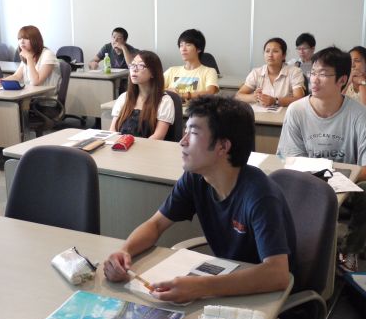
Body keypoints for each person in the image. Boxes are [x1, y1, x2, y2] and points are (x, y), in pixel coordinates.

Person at [104, 96, 294, 304]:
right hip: (228, 284)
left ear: (223, 147)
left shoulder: (259, 195)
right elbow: (156, 225)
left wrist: (200, 287)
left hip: (267, 298)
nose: (182, 141)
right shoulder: (196, 178)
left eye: (193, 133)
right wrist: (125, 251)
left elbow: (277, 274)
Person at [277, 46, 366, 273]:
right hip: (306, 182)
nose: (314, 80)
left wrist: (334, 177)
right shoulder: (296, 111)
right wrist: (319, 179)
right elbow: (291, 160)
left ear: (342, 80)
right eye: (313, 72)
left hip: (349, 184)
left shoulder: (360, 116)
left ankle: (350, 249)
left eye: (324, 74)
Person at [110, 51, 175, 139]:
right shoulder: (124, 97)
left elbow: (158, 137)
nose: (134, 69)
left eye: (141, 65)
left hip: (148, 150)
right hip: (121, 148)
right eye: (132, 65)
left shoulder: (164, 101)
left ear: (153, 73)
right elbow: (112, 130)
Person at [235, 37, 305, 107]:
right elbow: (238, 96)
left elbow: (299, 99)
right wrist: (254, 97)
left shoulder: (295, 72)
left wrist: (275, 101)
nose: (270, 55)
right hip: (261, 115)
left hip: (284, 115)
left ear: (284, 55)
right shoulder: (256, 72)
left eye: (275, 51)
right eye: (267, 51)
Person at [0, 25, 61, 96]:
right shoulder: (28, 55)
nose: (21, 41)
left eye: (26, 38)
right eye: (19, 38)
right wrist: (2, 81)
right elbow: (17, 76)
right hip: (30, 96)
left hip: (44, 99)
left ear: (35, 40)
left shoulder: (47, 54)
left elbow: (36, 82)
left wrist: (29, 58)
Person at [164, 29, 219, 103]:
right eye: (181, 45)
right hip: (172, 111)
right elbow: (154, 87)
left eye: (188, 45)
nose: (183, 49)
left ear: (199, 49)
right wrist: (167, 90)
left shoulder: (209, 71)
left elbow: (210, 92)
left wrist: (183, 95)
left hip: (196, 112)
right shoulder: (172, 70)